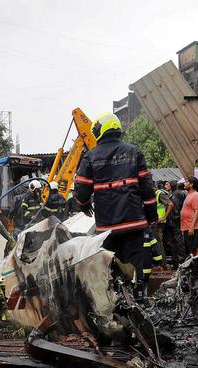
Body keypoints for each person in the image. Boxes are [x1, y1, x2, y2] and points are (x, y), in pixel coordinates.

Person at [74, 112, 157, 300]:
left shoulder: (91, 156)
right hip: (134, 223)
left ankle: (116, 302)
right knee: (135, 265)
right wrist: (151, 217)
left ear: (101, 130)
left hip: (106, 227)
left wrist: (83, 204)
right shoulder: (134, 152)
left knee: (110, 266)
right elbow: (147, 189)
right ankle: (138, 301)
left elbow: (81, 189)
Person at [181, 176, 198, 257]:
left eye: (186, 182)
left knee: (197, 248)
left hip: (193, 227)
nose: (184, 183)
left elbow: (197, 212)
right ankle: (195, 266)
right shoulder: (189, 194)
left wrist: (192, 227)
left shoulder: (196, 195)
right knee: (192, 248)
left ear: (191, 184)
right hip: (187, 226)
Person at [154, 180, 174, 267]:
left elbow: (170, 204)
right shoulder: (155, 193)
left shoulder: (159, 193)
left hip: (159, 222)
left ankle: (163, 263)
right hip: (155, 222)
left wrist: (164, 217)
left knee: (158, 242)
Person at [142, 227, 163, 291]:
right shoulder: (147, 231)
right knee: (144, 285)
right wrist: (158, 262)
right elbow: (155, 249)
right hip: (146, 268)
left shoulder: (128, 230)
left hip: (131, 268)